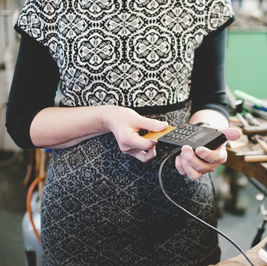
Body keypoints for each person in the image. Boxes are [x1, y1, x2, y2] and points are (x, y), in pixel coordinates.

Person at [6, 0, 241, 265]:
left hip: (183, 211)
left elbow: (211, 100)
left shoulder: (203, 5)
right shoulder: (51, 5)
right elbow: (22, 122)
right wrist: (104, 118)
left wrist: (208, 136)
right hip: (79, 217)